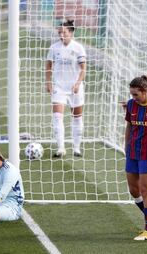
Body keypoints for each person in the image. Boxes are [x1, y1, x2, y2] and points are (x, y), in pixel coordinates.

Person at [124, 75, 147, 241]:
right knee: (134, 190)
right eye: (132, 95)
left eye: (135, 94)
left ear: (145, 91)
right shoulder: (131, 105)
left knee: (146, 190)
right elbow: (129, 126)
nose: (133, 98)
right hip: (132, 152)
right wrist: (126, 146)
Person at [45, 20, 86, 157]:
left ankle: (76, 148)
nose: (62, 35)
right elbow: (49, 66)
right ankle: (61, 148)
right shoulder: (54, 48)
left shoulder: (78, 48)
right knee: (57, 117)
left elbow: (83, 69)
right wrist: (48, 83)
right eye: (59, 32)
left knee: (77, 117)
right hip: (59, 87)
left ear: (71, 32)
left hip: (75, 88)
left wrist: (78, 83)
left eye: (64, 32)